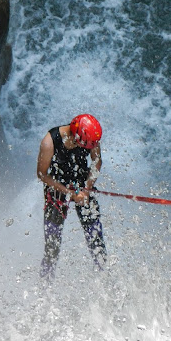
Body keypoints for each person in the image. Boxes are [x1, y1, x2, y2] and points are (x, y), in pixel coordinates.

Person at [37, 113, 107, 279]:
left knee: (96, 240)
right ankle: (44, 287)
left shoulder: (90, 137)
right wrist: (70, 193)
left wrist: (87, 188)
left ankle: (106, 280)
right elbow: (42, 174)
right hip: (56, 190)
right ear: (75, 136)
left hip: (83, 185)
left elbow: (97, 161)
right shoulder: (49, 142)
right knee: (52, 246)